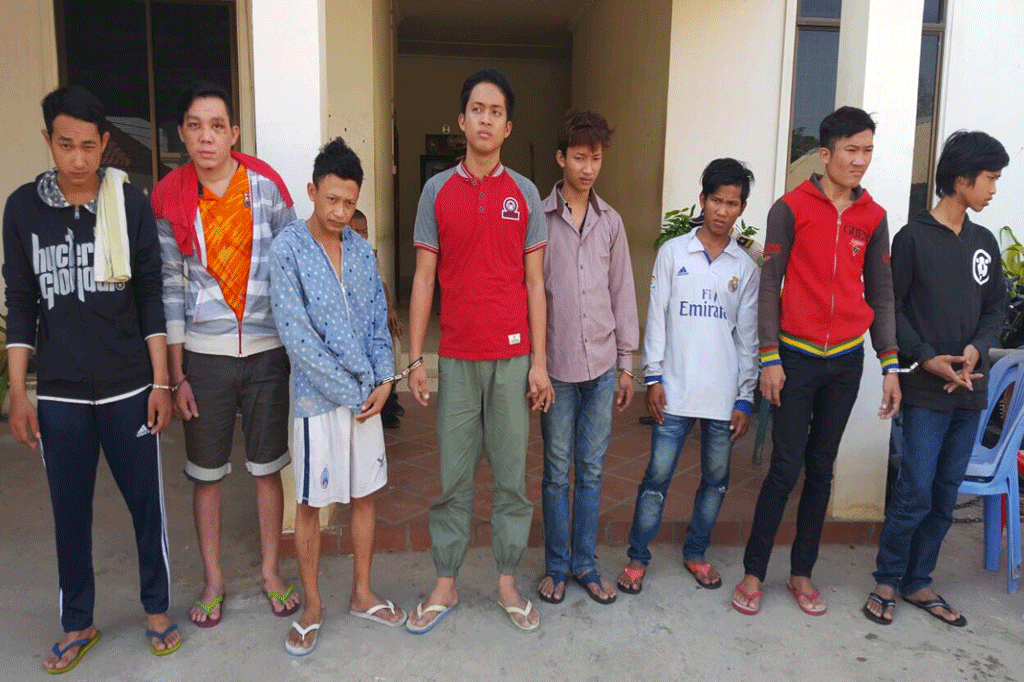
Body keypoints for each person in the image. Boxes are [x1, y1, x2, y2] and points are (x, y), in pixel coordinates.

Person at [3, 85, 180, 672]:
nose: (77, 158)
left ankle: (157, 610)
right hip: (60, 394)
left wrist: (160, 382)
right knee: (68, 512)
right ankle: (78, 622)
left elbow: (150, 296)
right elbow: (21, 303)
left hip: (129, 385)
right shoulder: (22, 210)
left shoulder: (128, 204)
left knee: (147, 507)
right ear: (48, 140)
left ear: (105, 144)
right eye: (65, 145)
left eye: (87, 146)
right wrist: (19, 393)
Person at [733, 106, 901, 616]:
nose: (860, 160)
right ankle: (754, 571)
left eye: (867, 150)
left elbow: (882, 293)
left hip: (845, 361)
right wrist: (769, 357)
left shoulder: (873, 217)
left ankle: (802, 572)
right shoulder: (790, 208)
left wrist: (889, 364)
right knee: (784, 468)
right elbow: (769, 284)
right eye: (851, 150)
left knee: (822, 468)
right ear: (825, 154)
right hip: (795, 359)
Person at [405, 69, 553, 634]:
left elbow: (535, 283)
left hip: (514, 360)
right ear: (462, 120)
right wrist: (415, 358)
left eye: (496, 111)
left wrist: (540, 363)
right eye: (477, 109)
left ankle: (507, 581)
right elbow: (424, 277)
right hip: (458, 357)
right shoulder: (437, 191)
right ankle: (445, 581)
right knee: (453, 477)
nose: (485, 119)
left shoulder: (526, 195)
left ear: (508, 126)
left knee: (512, 478)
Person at [151, 81, 299, 628]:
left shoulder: (267, 188)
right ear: (182, 134)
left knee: (267, 470)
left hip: (267, 352)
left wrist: (299, 350)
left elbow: (293, 267)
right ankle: (213, 581)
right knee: (206, 474)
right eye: (195, 126)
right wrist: (176, 374)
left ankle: (270, 572)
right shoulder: (170, 197)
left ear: (234, 133)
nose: (206, 137)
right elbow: (170, 286)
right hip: (205, 357)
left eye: (217, 126)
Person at [863, 131, 1009, 627]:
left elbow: (996, 309)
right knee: (915, 491)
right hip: (926, 392)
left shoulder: (983, 242)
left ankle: (918, 580)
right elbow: (891, 308)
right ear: (961, 178)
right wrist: (926, 358)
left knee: (946, 495)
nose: (994, 189)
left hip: (970, 391)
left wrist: (976, 350)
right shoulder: (913, 238)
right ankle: (887, 579)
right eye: (989, 178)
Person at [270, 137, 406, 655]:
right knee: (310, 502)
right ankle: (313, 606)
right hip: (318, 402)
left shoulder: (361, 251)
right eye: (331, 199)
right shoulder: (288, 249)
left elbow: (377, 323)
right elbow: (297, 338)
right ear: (311, 191)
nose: (340, 212)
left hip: (367, 399)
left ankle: (361, 593)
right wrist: (356, 391)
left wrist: (385, 380)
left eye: (350, 202)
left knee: (365, 495)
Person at [618, 159, 758, 594]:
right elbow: (657, 319)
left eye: (731, 203)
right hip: (675, 391)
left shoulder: (744, 267)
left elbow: (747, 337)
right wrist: (653, 377)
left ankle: (696, 553)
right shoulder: (673, 253)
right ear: (702, 200)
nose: (722, 210)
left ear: (741, 208)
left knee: (716, 481)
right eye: (716, 200)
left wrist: (745, 396)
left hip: (722, 397)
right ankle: (637, 557)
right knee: (656, 479)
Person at [536, 110, 638, 605]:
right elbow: (530, 293)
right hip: (556, 367)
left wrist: (626, 364)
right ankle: (557, 566)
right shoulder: (538, 219)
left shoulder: (611, 222)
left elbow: (623, 292)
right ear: (561, 158)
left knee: (591, 471)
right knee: (557, 471)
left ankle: (585, 564)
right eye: (579, 158)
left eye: (595, 159)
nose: (588, 168)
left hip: (600, 367)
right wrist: (535, 365)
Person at [349, 209, 406, 428]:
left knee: (394, 340)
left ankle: (389, 398)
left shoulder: (369, 254)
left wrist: (389, 310)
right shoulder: (337, 254)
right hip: (353, 325)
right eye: (356, 231)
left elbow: (381, 285)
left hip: (373, 318)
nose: (361, 236)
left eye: (364, 231)